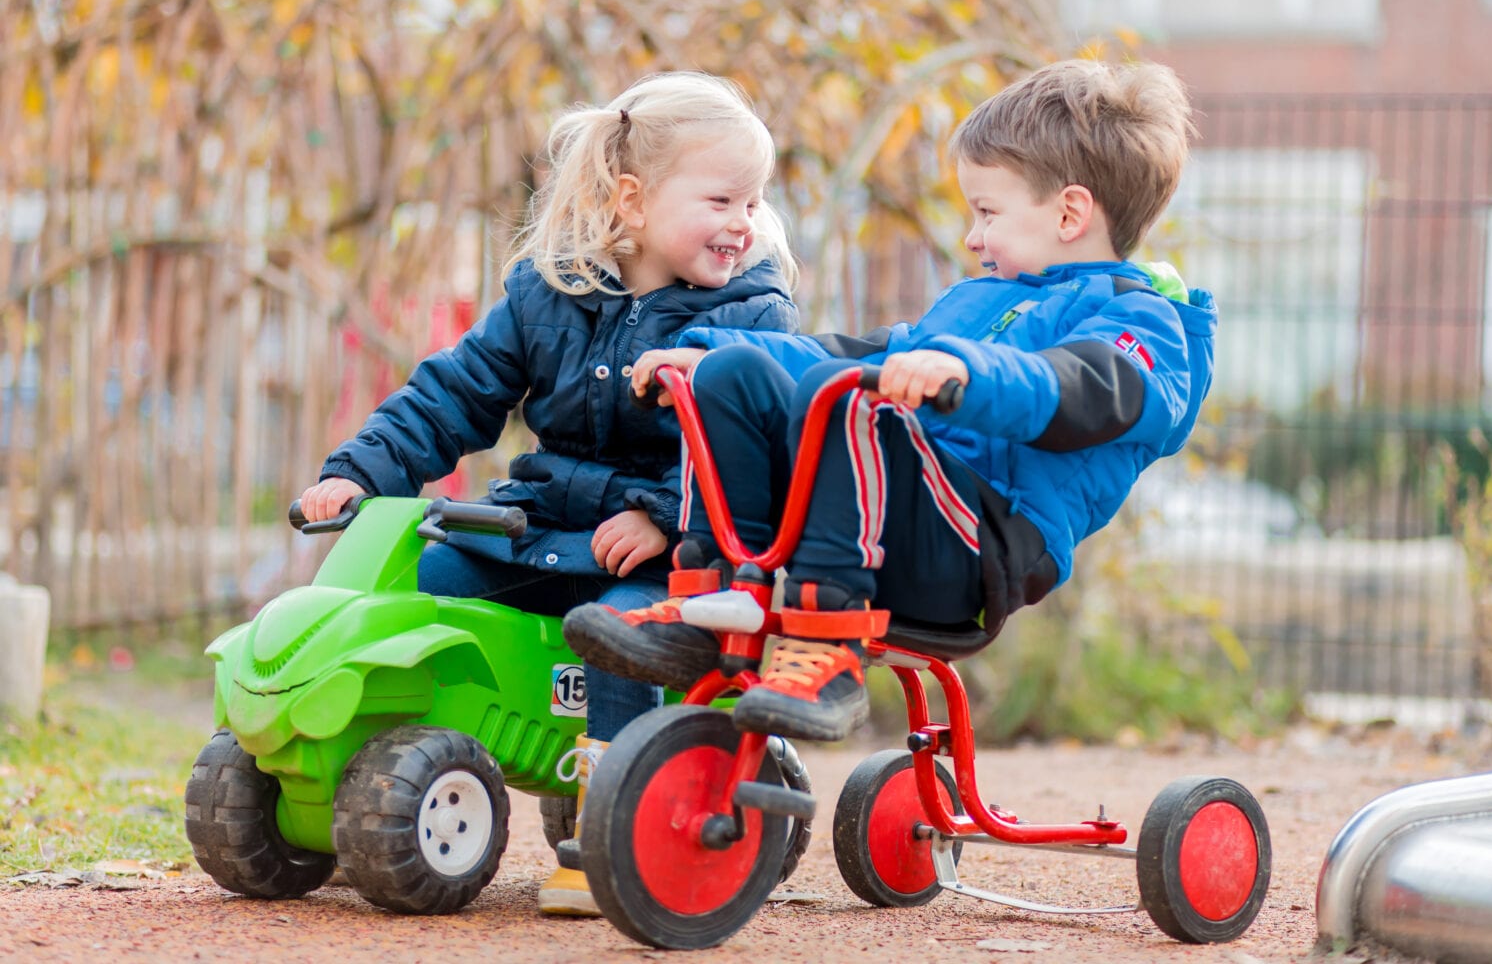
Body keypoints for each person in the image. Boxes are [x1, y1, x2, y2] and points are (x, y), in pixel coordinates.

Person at [562, 59, 1213, 744]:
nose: (973, 237)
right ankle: (712, 598)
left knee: (853, 402)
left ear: (1070, 212)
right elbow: (859, 352)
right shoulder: (980, 299)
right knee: (736, 375)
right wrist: (709, 351)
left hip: (976, 545)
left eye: (987, 212)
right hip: (901, 516)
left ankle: (829, 650)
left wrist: (960, 370)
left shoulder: (1142, 323)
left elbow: (1080, 388)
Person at [296, 71, 800, 914]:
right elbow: (453, 393)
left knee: (622, 632)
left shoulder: (751, 320)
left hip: (680, 557)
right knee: (430, 582)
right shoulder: (548, 292)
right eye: (722, 201)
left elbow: (756, 452)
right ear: (631, 200)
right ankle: (382, 780)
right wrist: (359, 470)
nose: (744, 225)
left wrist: (667, 518)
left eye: (754, 204)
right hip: (548, 529)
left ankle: (613, 836)